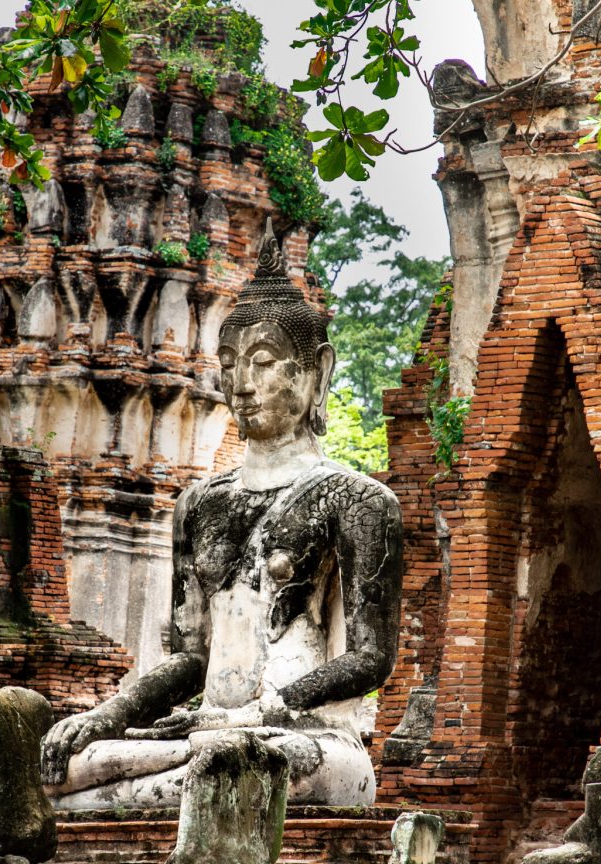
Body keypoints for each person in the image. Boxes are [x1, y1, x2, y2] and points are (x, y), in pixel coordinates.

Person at [41, 220, 402, 808]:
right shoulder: (199, 504)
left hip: (305, 738)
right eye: (230, 361)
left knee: (233, 768)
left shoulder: (356, 499)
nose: (241, 382)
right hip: (208, 730)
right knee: (55, 777)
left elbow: (371, 657)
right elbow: (192, 658)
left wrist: (278, 705)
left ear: (318, 371)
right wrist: (106, 714)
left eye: (263, 361)